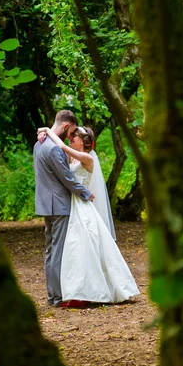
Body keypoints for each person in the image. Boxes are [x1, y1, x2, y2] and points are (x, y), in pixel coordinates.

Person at [37, 125, 140, 306]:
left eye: (74, 137)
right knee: (74, 249)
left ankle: (92, 291)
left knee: (84, 244)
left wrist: (47, 129)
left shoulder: (86, 158)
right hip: (71, 204)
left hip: (82, 205)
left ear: (84, 141)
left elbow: (61, 146)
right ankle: (76, 290)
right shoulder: (72, 158)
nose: (71, 139)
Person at [33, 110, 95, 308]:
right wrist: (86, 193)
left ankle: (53, 296)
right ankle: (58, 297)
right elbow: (67, 179)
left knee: (51, 251)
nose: (71, 137)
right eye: (72, 132)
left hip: (45, 204)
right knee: (57, 251)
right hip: (59, 205)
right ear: (67, 126)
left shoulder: (39, 144)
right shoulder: (54, 149)